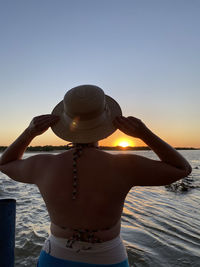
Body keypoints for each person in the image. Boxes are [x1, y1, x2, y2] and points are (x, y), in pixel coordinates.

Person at [0, 85, 192, 267]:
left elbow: (5, 163)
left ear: (65, 124)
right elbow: (181, 168)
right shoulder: (125, 166)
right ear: (107, 124)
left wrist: (29, 132)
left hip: (56, 255)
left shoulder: (42, 164)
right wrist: (144, 133)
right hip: (108, 258)